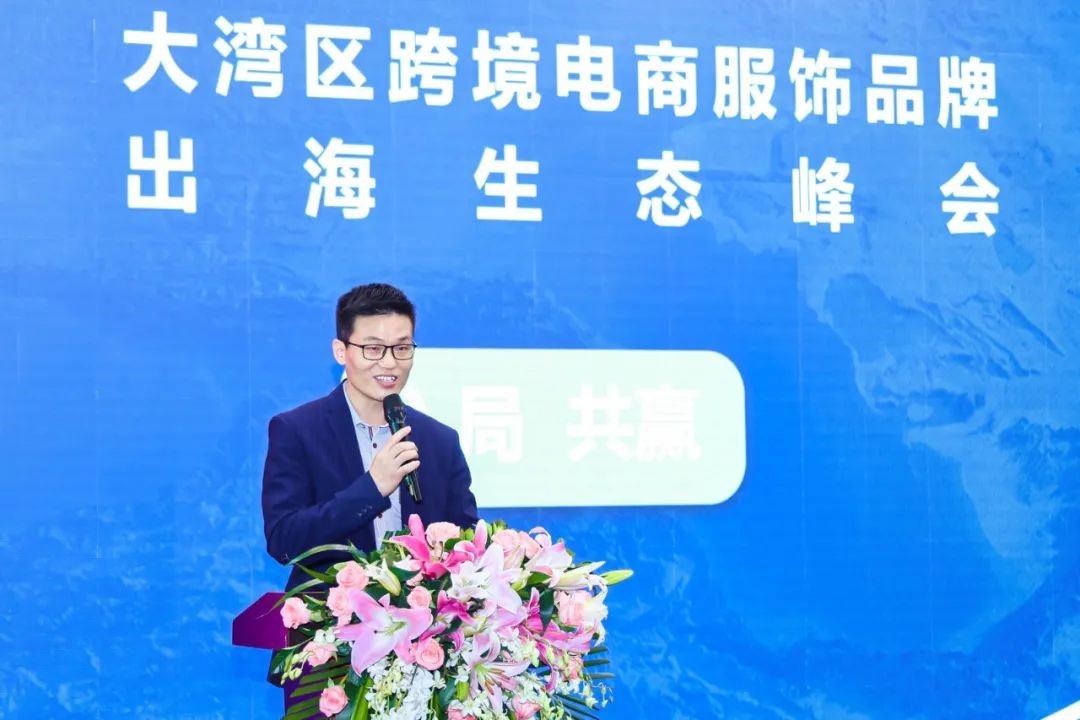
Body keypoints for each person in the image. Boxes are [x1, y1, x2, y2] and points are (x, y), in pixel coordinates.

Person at [261, 282, 479, 592]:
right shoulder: (297, 430)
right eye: (373, 349)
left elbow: (466, 545)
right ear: (341, 351)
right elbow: (284, 541)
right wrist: (372, 488)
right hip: (329, 617)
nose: (390, 363)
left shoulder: (440, 441)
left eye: (402, 348)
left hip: (424, 620)